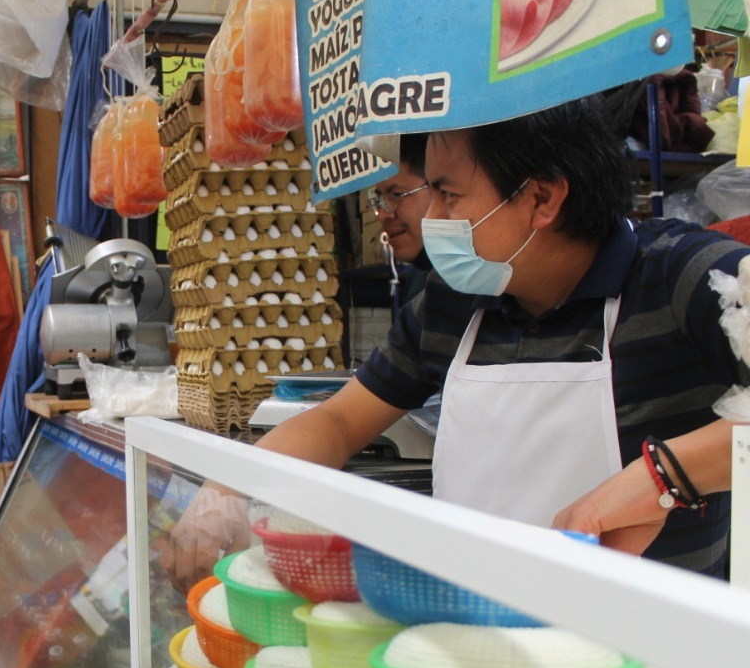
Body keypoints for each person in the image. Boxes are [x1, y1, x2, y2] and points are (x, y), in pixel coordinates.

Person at [167, 97, 749, 591]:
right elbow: (339, 423)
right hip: (470, 632)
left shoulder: (685, 278)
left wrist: (659, 478)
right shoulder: (454, 301)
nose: (432, 219)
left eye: (448, 195)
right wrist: (226, 488)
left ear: (542, 199)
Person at [367, 134, 434, 304]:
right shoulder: (419, 278)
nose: (383, 214)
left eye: (396, 195)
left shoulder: (476, 284)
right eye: (380, 200)